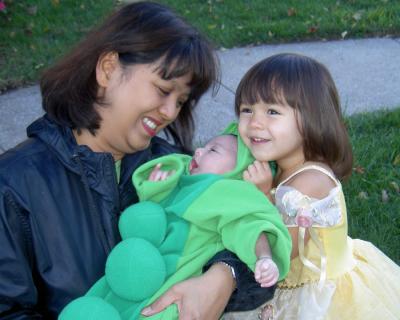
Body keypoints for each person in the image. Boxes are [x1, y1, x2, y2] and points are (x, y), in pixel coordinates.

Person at [0, 2, 274, 318]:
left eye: (181, 101)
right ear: (108, 69)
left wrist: (226, 276)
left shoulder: (173, 168)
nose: (171, 112)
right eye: (162, 90)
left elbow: (254, 229)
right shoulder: (14, 186)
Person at [223, 52, 400, 320]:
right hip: (288, 287)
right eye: (247, 109)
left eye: (272, 111)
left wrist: (261, 195)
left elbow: (282, 251)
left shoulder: (309, 183)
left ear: (310, 119)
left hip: (319, 297)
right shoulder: (279, 165)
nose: (254, 122)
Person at [59, 128, 292, 320]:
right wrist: (157, 188)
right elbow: (152, 220)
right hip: (137, 273)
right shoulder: (185, 185)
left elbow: (250, 225)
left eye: (213, 150)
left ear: (239, 171)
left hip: (174, 283)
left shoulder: (227, 192)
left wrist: (264, 257)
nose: (198, 151)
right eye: (203, 147)